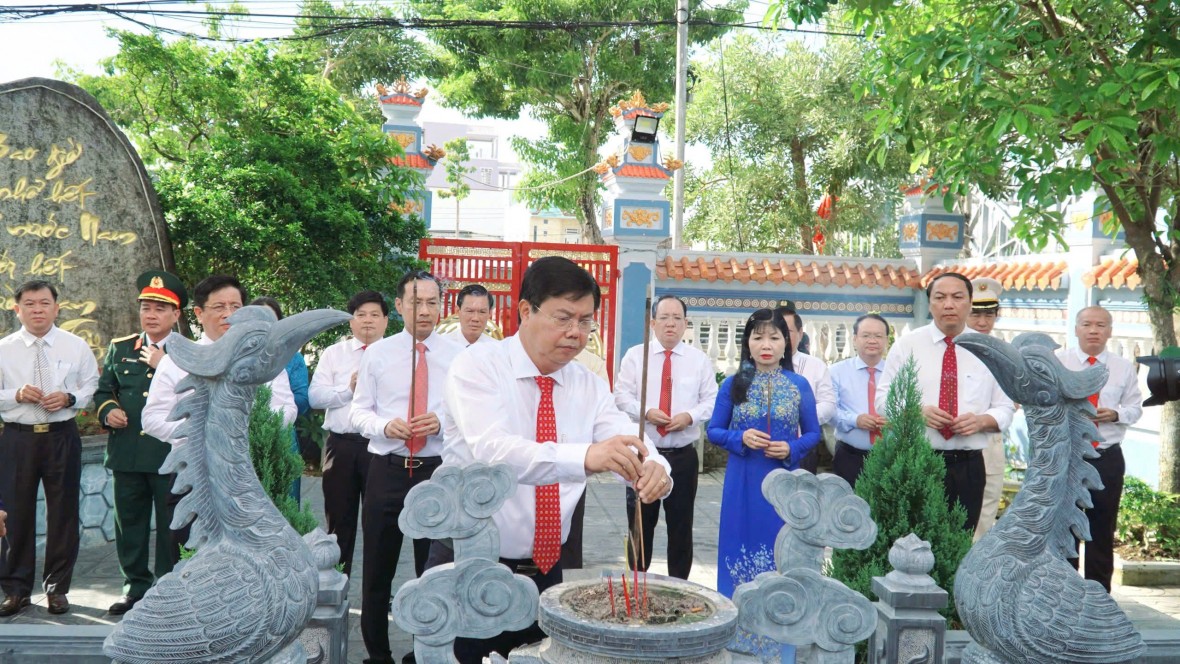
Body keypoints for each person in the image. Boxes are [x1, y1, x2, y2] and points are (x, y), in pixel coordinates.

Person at [445, 256, 671, 664]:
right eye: (563, 318)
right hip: (474, 563)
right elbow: (495, 452)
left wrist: (656, 466)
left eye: (586, 321)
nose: (575, 333)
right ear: (525, 310)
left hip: (548, 569)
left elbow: (624, 434)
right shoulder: (477, 367)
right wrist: (586, 456)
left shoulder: (587, 384)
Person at [350, 270, 462, 664]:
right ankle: (378, 655)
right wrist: (384, 426)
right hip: (387, 470)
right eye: (416, 302)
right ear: (399, 306)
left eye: (433, 302)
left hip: (436, 472)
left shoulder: (458, 356)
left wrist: (442, 422)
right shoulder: (378, 354)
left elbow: (470, 413)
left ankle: (424, 653)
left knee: (432, 573)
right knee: (376, 570)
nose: (425, 310)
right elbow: (358, 412)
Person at [142, 275, 297, 555]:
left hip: (256, 471)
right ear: (199, 313)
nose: (228, 314)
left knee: (259, 557)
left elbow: (286, 407)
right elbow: (152, 418)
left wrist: (251, 429)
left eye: (235, 307)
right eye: (219, 307)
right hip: (195, 475)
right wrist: (204, 434)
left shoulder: (264, 357)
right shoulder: (176, 360)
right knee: (194, 557)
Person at [877, 273, 1014, 531]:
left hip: (968, 465)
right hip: (918, 460)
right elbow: (883, 400)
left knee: (962, 541)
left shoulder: (990, 350)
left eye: (957, 297)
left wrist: (982, 421)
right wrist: (915, 412)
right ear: (930, 304)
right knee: (914, 540)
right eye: (940, 298)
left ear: (970, 302)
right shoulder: (907, 345)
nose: (948, 304)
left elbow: (1005, 409)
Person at [0, 280, 100, 617]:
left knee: (63, 513)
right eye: (29, 304)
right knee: (15, 514)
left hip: (61, 436)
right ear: (17, 310)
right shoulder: (4, 349)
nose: (37, 310)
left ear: (56, 308)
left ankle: (57, 589)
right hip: (18, 438)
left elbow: (91, 384)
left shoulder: (76, 346)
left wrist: (71, 398)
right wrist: (15, 394)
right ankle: (16, 590)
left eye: (44, 303)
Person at [708, 308, 821, 598]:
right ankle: (736, 606)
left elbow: (813, 433)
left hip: (784, 479)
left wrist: (792, 447)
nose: (766, 345)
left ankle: (781, 607)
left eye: (774, 337)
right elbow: (714, 431)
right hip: (742, 479)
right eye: (758, 338)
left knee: (780, 542)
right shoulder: (733, 384)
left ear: (787, 343)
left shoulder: (799, 385)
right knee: (739, 540)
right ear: (747, 343)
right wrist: (740, 437)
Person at [93, 270, 187, 615]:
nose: (151, 314)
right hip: (128, 453)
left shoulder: (188, 352)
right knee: (129, 526)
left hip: (168, 453)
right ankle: (134, 587)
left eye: (160, 309)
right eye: (146, 307)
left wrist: (167, 365)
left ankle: (166, 588)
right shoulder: (121, 348)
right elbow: (104, 390)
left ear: (176, 314)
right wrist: (108, 410)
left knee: (170, 527)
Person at [614, 294, 717, 580]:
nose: (670, 324)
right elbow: (621, 396)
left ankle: (679, 586)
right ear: (652, 323)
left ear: (685, 323)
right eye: (664, 318)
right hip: (644, 456)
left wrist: (690, 417)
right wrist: (646, 412)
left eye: (676, 318)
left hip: (682, 456)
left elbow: (711, 400)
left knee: (681, 525)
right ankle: (637, 583)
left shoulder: (698, 360)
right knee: (640, 524)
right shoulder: (636, 356)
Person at [1056, 306, 1143, 592]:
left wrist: (1116, 414)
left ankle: (1099, 597)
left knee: (1101, 530)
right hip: (1068, 456)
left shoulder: (1122, 367)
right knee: (1065, 529)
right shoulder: (1059, 362)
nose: (1094, 330)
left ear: (1110, 331)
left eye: (1101, 325)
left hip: (1106, 457)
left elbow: (1135, 407)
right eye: (1087, 324)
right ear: (1076, 329)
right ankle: (1065, 594)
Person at [309, 290, 389, 577]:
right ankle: (337, 583)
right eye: (361, 315)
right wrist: (347, 390)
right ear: (351, 321)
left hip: (380, 447)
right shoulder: (334, 354)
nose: (367, 321)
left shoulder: (396, 355)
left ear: (386, 321)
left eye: (375, 315)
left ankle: (375, 591)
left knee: (379, 523)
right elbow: (315, 397)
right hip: (341, 446)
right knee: (338, 520)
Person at [250, 296, 312, 502]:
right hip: (243, 438)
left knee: (285, 499)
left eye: (270, 318)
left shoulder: (291, 356)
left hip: (282, 435)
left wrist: (271, 416)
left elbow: (302, 399)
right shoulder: (239, 353)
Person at [829, 313, 890, 488]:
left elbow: (910, 407)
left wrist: (896, 420)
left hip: (889, 456)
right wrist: (856, 420)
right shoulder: (836, 372)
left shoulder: (897, 372)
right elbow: (830, 411)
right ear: (855, 339)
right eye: (866, 335)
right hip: (850, 456)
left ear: (886, 340)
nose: (872, 340)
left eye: (878, 336)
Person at [967, 277, 1006, 540]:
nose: (982, 322)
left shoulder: (1004, 353)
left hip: (989, 443)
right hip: (954, 443)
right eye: (976, 314)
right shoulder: (952, 348)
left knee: (985, 515)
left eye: (989, 315)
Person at [781, 310, 835, 473]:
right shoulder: (757, 367)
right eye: (776, 330)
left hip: (803, 447)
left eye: (788, 331)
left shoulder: (815, 366)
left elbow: (828, 405)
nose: (781, 336)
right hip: (765, 448)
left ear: (800, 333)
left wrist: (801, 416)